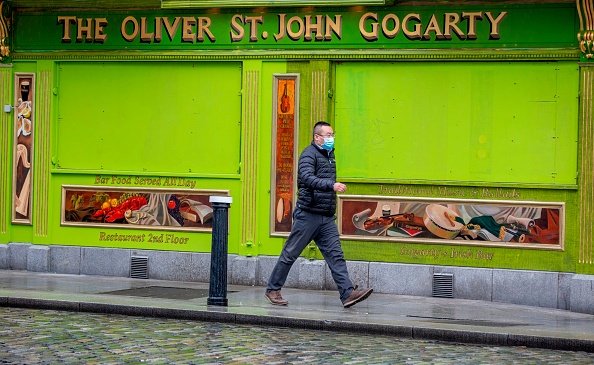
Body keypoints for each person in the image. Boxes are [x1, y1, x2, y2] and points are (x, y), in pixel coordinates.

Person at [265, 121, 373, 308]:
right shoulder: (309, 154)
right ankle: (273, 289)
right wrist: (331, 185)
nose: (331, 138)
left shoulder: (329, 155)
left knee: (335, 255)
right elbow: (306, 178)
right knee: (291, 253)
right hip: (308, 214)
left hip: (325, 216)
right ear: (317, 137)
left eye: (333, 135)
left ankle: (347, 294)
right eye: (328, 135)